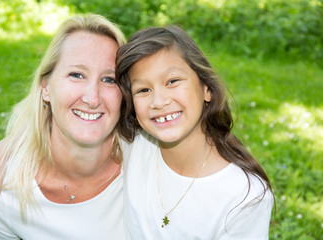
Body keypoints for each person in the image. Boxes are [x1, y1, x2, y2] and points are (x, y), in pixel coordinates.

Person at [0, 13, 131, 239]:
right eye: (76, 74)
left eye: (109, 79)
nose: (93, 98)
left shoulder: (149, 161)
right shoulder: (0, 191)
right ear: (46, 87)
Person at [115, 26, 274, 239]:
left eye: (172, 81)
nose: (159, 102)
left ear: (206, 88)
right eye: (143, 90)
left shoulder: (244, 196)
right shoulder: (132, 145)